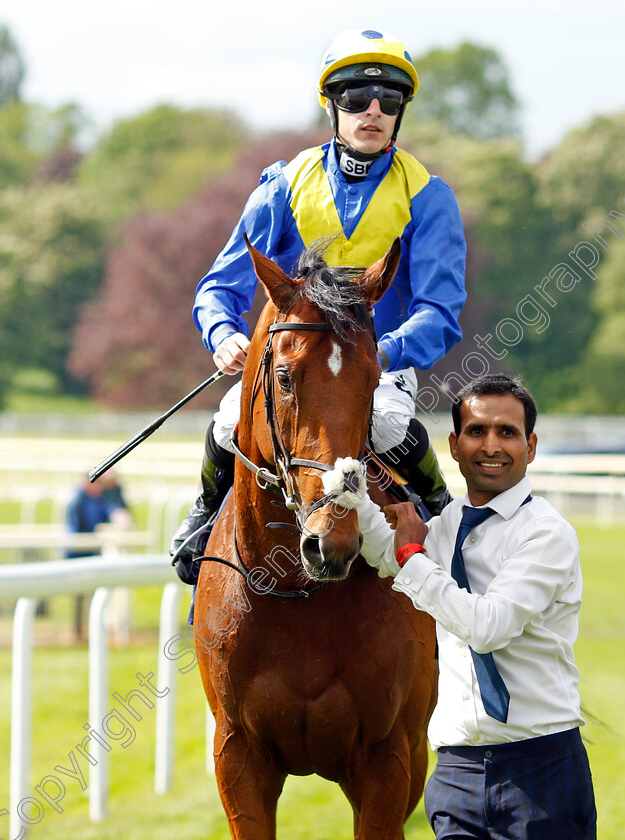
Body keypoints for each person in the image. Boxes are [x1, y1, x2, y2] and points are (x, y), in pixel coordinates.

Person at [170, 28, 467, 576]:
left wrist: (378, 354)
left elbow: (440, 313)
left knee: (388, 429)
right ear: (332, 106)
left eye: (389, 101)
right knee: (227, 419)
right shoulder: (281, 186)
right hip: (291, 366)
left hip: (380, 366)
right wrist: (224, 335)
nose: (372, 111)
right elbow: (219, 288)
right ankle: (204, 516)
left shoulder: (428, 196)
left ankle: (444, 519)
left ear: (401, 112)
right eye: (356, 99)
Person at [357, 373, 597, 839]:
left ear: (530, 445)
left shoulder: (546, 532)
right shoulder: (447, 524)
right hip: (455, 773)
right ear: (453, 443)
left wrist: (410, 555)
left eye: (506, 432)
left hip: (541, 769)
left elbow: (487, 626)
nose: (491, 445)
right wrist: (351, 495)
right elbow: (387, 555)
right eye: (477, 431)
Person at [65, 473, 131, 638]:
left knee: (94, 595)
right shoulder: (77, 501)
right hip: (77, 554)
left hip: (93, 553)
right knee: (79, 596)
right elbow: (76, 531)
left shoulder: (99, 498)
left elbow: (111, 509)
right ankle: (78, 630)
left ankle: (91, 629)